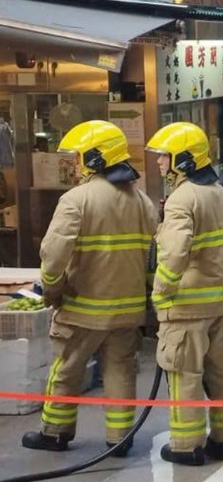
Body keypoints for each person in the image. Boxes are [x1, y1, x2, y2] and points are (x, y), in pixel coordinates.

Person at [22, 121, 157, 456]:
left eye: (80, 156)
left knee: (66, 370)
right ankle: (119, 439)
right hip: (127, 311)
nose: (75, 162)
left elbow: (53, 256)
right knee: (121, 371)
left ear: (95, 158)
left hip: (81, 311)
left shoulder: (76, 200)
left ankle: (55, 433)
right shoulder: (142, 202)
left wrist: (52, 291)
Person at [145, 122, 223, 466]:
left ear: (183, 161)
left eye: (164, 157)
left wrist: (161, 292)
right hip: (218, 304)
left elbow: (174, 252)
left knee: (184, 375)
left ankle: (187, 446)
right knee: (221, 373)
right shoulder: (221, 194)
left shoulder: (181, 200)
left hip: (185, 308)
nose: (159, 163)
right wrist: (220, 281)